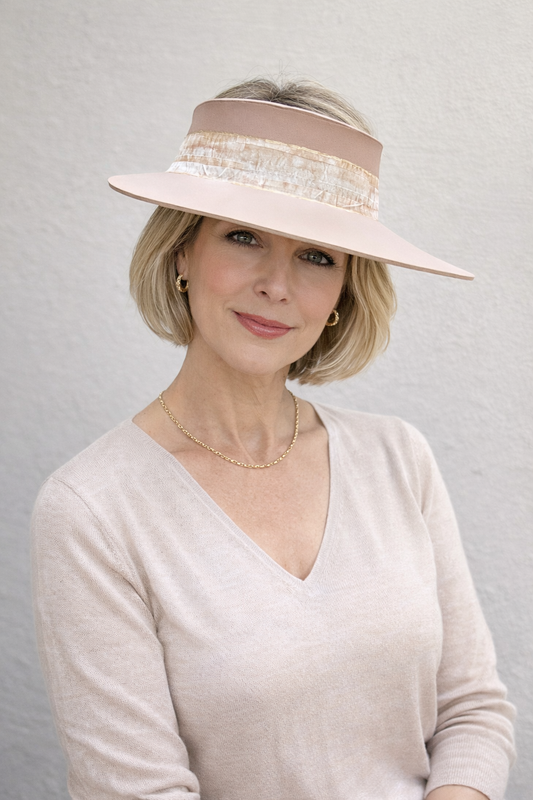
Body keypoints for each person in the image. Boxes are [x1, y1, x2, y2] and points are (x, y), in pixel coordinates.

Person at [31, 78, 515, 800]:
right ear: (181, 252)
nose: (277, 285)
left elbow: (472, 711)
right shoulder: (94, 509)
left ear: (344, 290)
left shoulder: (397, 459)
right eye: (243, 237)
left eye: (316, 255)